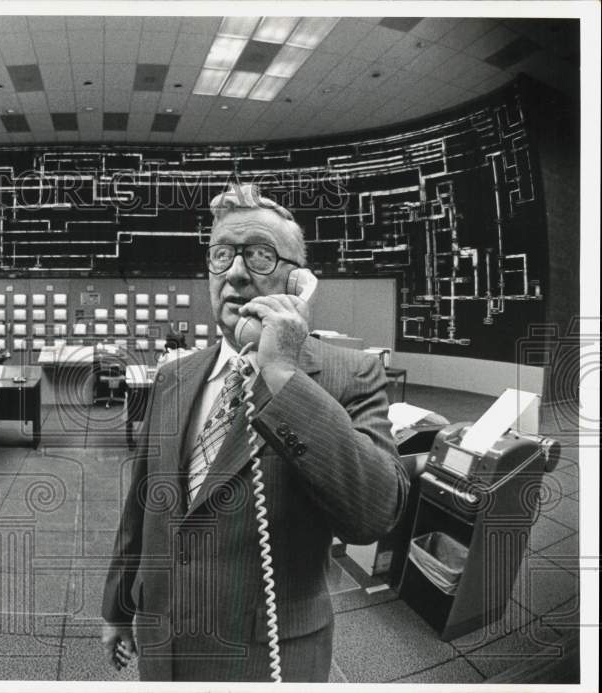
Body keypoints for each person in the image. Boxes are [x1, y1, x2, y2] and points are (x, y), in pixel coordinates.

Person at [101, 184, 408, 682]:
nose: (237, 272)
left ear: (299, 281)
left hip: (264, 657)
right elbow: (143, 503)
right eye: (222, 255)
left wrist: (282, 378)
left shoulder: (350, 375)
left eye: (262, 255)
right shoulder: (172, 376)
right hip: (163, 645)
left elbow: (375, 513)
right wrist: (117, 606)